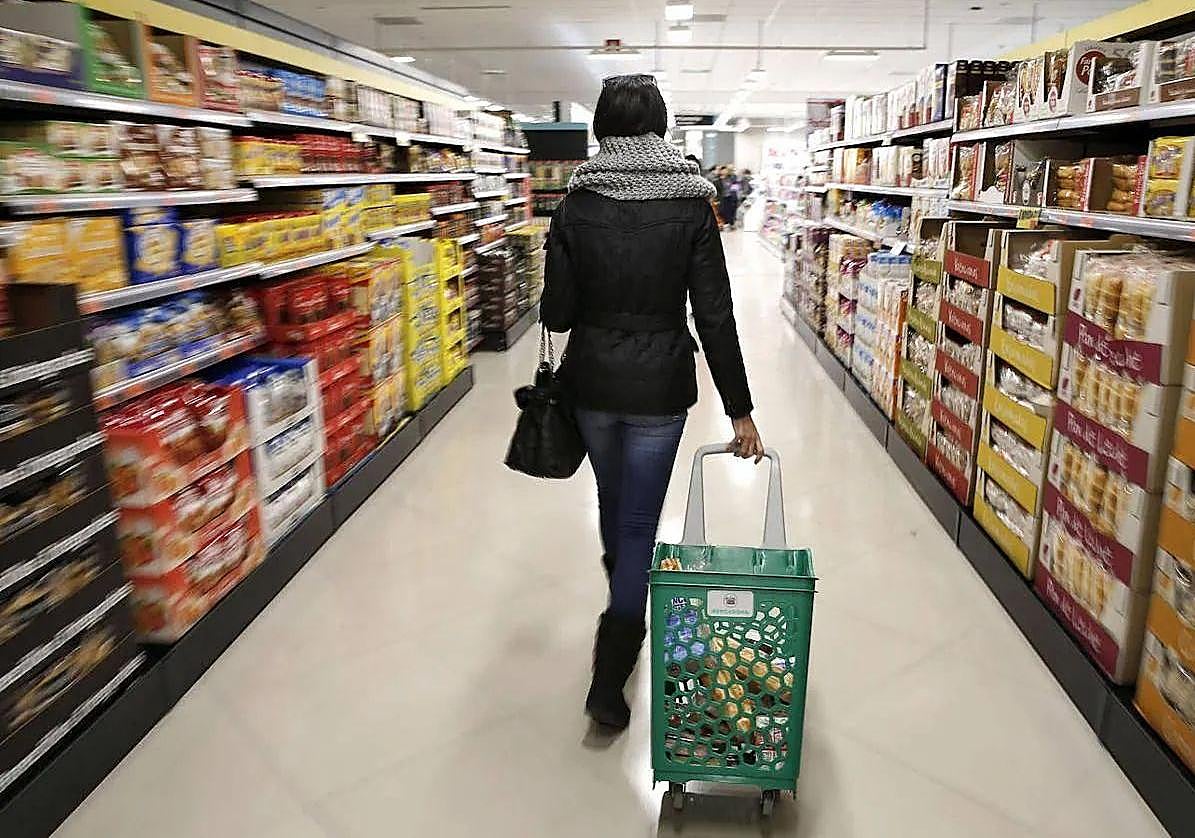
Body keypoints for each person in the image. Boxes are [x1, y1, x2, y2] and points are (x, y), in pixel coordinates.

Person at [540, 73, 763, 732]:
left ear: (599, 129)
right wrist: (738, 408)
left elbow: (555, 311)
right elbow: (714, 315)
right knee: (637, 521)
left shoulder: (575, 201)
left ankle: (621, 603)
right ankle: (610, 670)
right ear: (661, 128)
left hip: (592, 382)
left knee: (616, 508)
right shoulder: (692, 200)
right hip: (661, 384)